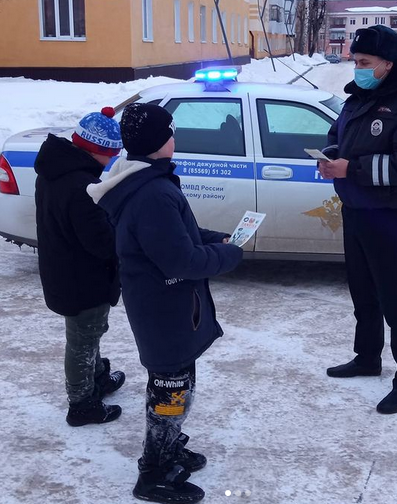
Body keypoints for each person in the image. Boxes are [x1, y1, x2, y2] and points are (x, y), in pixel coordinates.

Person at [86, 103, 243, 503]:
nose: (175, 138)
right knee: (170, 388)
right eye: (171, 132)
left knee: (179, 381)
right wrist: (230, 255)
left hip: (167, 304)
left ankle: (169, 446)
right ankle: (154, 471)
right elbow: (179, 260)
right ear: (160, 143)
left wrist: (213, 238)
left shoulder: (147, 181)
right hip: (163, 307)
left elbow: (175, 235)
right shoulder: (152, 192)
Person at [319, 25, 397, 414]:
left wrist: (349, 169)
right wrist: (329, 154)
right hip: (356, 210)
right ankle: (367, 357)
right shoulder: (359, 97)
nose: (357, 69)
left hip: (389, 215)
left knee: (396, 300)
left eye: (365, 62)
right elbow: (338, 132)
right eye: (355, 61)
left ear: (389, 64)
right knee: (363, 293)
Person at [34, 107, 126, 427]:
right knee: (82, 339)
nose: (114, 159)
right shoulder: (81, 186)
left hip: (65, 269)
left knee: (90, 331)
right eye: (112, 153)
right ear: (98, 150)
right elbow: (101, 242)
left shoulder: (57, 169)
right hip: (82, 278)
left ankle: (96, 377)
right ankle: (81, 402)